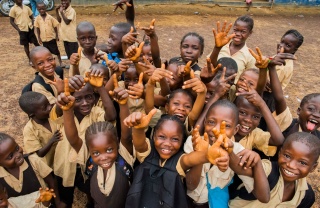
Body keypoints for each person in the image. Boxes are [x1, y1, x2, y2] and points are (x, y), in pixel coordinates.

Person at [123, 110, 226, 207]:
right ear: (154, 136)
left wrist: (206, 155)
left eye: (175, 139)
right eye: (162, 137)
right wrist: (138, 129)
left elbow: (190, 159)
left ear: (182, 141)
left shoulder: (179, 161)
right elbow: (139, 144)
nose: (167, 144)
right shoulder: (148, 152)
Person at [61, 76, 133, 207]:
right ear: (89, 150)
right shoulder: (89, 159)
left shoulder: (124, 156)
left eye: (109, 149)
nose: (104, 157)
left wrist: (123, 105)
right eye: (96, 153)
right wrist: (67, 111)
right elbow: (73, 139)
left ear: (117, 143)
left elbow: (127, 136)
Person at [185, 100, 270, 207]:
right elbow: (190, 186)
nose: (216, 130)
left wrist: (256, 162)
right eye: (211, 122)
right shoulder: (193, 142)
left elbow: (264, 197)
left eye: (226, 126)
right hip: (186, 200)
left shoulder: (238, 152)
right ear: (205, 122)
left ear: (236, 130)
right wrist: (201, 155)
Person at [54, 75, 116, 207]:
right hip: (66, 161)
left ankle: (90, 201)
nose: (85, 102)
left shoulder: (96, 112)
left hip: (88, 162)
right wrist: (61, 95)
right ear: (70, 99)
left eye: (89, 97)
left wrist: (100, 88)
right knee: (66, 190)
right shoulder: (64, 113)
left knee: (89, 187)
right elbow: (59, 108)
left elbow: (111, 116)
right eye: (78, 99)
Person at [229, 132, 320, 207]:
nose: (291, 165)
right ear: (280, 153)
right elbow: (240, 167)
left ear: (313, 167)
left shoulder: (306, 196)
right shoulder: (268, 170)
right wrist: (229, 151)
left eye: (302, 163)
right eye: (287, 156)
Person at [0, 133, 63, 207]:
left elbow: (51, 182)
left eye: (17, 148)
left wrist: (57, 202)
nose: (18, 155)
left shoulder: (33, 161)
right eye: (10, 156)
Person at [19, 91, 62, 168]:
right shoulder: (29, 130)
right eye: (45, 108)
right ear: (32, 115)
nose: (50, 107)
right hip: (49, 166)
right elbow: (39, 153)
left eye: (49, 103)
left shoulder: (53, 115)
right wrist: (52, 141)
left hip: (63, 161)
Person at [209, 16, 256, 83]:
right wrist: (217, 48)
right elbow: (209, 66)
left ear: (250, 33)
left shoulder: (250, 56)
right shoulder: (221, 46)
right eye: (235, 30)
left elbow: (249, 79)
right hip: (213, 87)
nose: (238, 34)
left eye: (243, 32)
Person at [9, 0, 39, 66]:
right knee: (26, 45)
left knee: (36, 43)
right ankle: (30, 60)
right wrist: (18, 29)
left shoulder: (26, 7)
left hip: (30, 28)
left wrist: (32, 24)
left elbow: (31, 16)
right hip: (22, 29)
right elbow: (11, 21)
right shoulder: (13, 9)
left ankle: (41, 55)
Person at [34, 2, 63, 67]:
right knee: (46, 53)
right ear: (37, 9)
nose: (42, 11)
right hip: (44, 39)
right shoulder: (37, 19)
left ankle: (60, 62)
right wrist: (38, 37)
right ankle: (50, 63)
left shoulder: (50, 17)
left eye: (43, 9)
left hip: (51, 38)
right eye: (40, 9)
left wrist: (57, 35)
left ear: (46, 8)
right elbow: (37, 28)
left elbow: (55, 26)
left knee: (56, 51)